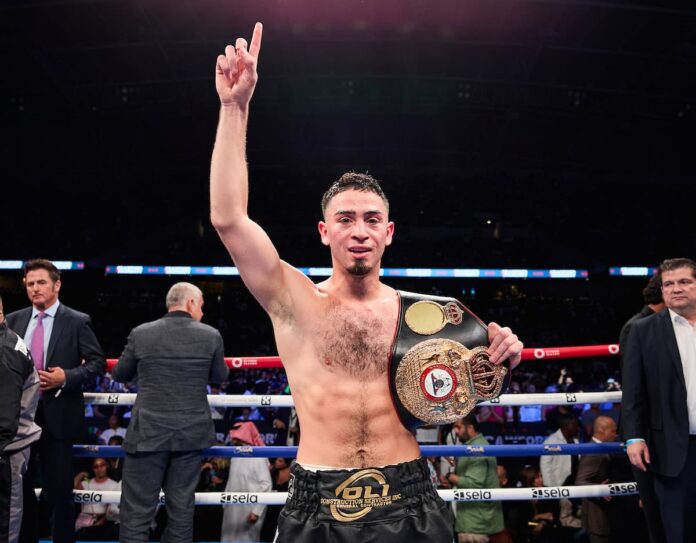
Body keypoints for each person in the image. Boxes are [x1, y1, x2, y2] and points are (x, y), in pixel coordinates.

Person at [210, 23, 523, 542]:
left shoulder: (426, 317)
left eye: (372, 219)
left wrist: (497, 362)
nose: (360, 230)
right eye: (347, 218)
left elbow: (457, 400)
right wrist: (234, 107)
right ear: (324, 231)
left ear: (389, 232)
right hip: (318, 497)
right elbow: (228, 219)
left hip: (409, 496)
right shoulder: (292, 299)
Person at [111, 282, 228, 543]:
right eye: (201, 306)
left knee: (136, 514)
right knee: (181, 512)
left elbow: (120, 373)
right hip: (189, 436)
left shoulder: (141, 333)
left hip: (148, 435)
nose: (203, 313)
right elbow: (221, 376)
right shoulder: (210, 335)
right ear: (190, 304)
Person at [6, 258, 106, 543]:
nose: (35, 289)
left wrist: (67, 377)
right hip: (19, 419)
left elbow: (97, 363)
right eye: (30, 284)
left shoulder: (77, 321)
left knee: (60, 492)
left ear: (57, 285)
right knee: (19, 491)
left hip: (58, 418)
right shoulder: (13, 320)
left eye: (41, 283)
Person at [623, 257, 696, 543]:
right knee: (676, 531)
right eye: (669, 284)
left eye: (684, 282)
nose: (676, 289)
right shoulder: (644, 330)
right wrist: (633, 437)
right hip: (670, 448)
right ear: (662, 290)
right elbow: (633, 390)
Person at [617, 273, 666, 543]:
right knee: (653, 505)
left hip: (667, 424)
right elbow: (633, 383)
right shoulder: (637, 327)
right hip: (645, 426)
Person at [0, 295, 41, 543]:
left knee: (4, 527)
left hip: (6, 451)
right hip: (7, 446)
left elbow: (6, 418)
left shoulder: (6, 351)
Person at [445, 415, 505, 543]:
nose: (455, 431)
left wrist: (451, 477)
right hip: (475, 521)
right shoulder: (475, 446)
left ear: (470, 428)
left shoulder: (477, 449)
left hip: (475, 524)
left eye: (458, 427)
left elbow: (474, 484)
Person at [220, 422, 272, 542]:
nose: (233, 439)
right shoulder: (235, 456)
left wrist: (257, 511)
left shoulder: (258, 457)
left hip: (249, 508)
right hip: (232, 507)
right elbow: (232, 480)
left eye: (237, 436)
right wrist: (225, 502)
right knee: (228, 538)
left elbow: (266, 484)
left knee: (247, 539)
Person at [574, 416, 617, 543]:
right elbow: (580, 482)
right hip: (597, 518)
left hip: (603, 517)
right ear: (602, 431)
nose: (616, 435)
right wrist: (600, 490)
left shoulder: (599, 448)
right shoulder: (593, 451)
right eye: (613, 431)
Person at [539, 415, 581, 528]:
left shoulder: (575, 441)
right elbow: (545, 465)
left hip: (574, 481)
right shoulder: (552, 441)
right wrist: (551, 487)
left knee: (575, 511)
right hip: (559, 483)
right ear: (567, 426)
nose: (578, 428)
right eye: (575, 426)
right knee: (563, 516)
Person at [73, 458, 121, 541]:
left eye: (102, 465)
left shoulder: (114, 485)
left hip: (103, 522)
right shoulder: (87, 483)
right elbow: (72, 486)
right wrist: (81, 474)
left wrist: (101, 521)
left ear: (107, 466)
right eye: (96, 467)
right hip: (83, 521)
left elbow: (112, 509)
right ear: (93, 469)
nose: (99, 469)